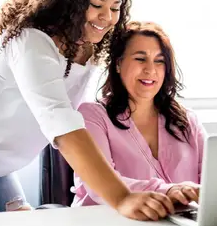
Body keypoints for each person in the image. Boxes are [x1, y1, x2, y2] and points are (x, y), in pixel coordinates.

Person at [0, 0, 175, 220]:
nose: (106, 17)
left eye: (115, 7)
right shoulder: (30, 42)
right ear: (69, 1)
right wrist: (122, 198)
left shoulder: (89, 47)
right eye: (96, 4)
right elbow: (61, 122)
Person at [72, 21, 206, 213]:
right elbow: (98, 188)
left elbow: (211, 180)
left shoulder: (188, 121)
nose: (150, 70)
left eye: (159, 61)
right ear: (118, 64)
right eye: (140, 59)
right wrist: (169, 191)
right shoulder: (93, 116)